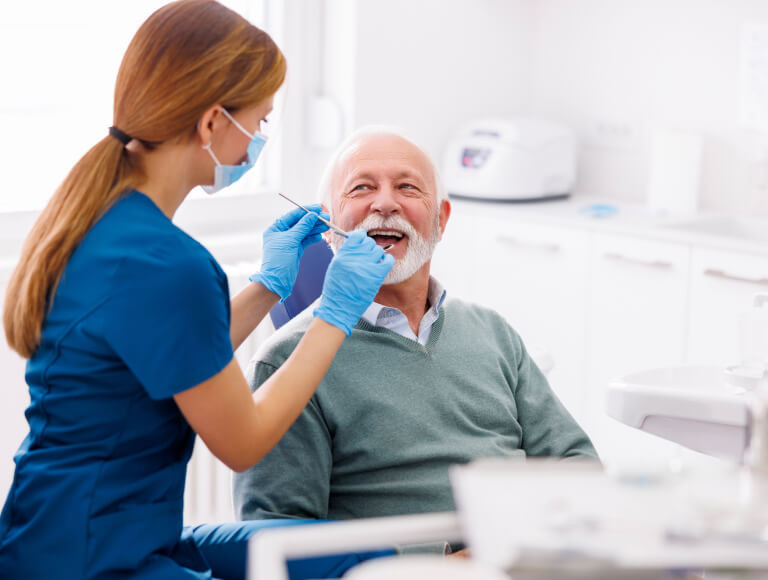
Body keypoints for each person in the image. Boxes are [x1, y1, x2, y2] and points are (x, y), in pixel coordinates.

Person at [0, 2, 395, 579]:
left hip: (74, 529)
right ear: (212, 123)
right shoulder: (166, 263)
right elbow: (243, 441)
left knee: (354, 553)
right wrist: (335, 312)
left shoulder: (104, 222)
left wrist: (269, 286)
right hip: (90, 559)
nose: (259, 140)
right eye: (259, 122)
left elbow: (176, 351)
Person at [233, 126, 599, 530]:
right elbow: (276, 539)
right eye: (361, 188)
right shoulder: (285, 365)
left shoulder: (493, 332)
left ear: (441, 220)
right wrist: (445, 558)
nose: (385, 204)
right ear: (327, 223)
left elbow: (576, 462)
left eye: (407, 187)